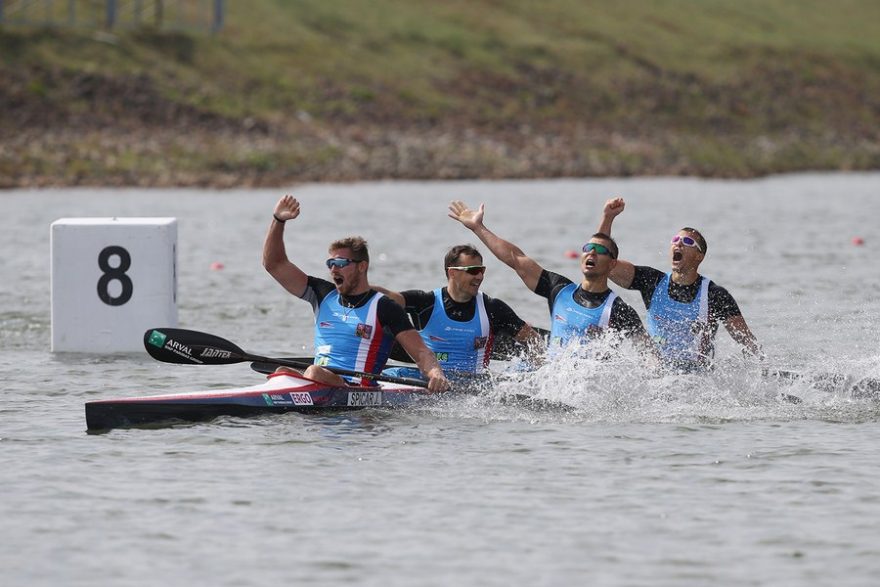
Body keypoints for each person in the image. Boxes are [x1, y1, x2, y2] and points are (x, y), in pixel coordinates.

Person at [262, 194, 449, 392]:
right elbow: (274, 264)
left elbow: (421, 353)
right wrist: (278, 220)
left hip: (357, 390)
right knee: (282, 371)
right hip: (319, 381)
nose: (334, 269)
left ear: (362, 267)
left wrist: (435, 373)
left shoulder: (385, 307)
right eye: (330, 263)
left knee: (314, 372)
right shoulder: (322, 294)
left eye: (341, 264)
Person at [448, 200, 656, 359]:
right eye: (587, 248)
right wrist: (478, 228)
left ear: (612, 265)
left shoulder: (619, 310)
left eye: (599, 250)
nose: (591, 253)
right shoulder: (559, 290)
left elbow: (649, 356)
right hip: (554, 379)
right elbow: (517, 259)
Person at [597, 197, 762, 372]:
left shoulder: (715, 296)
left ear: (700, 256)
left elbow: (747, 341)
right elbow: (604, 264)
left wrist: (763, 371)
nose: (679, 243)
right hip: (657, 375)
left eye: (688, 242)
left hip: (697, 380)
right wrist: (608, 218)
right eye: (675, 239)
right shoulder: (652, 282)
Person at [374, 244, 545, 380]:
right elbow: (389, 298)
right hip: (429, 379)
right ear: (453, 273)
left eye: (482, 270)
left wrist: (541, 374)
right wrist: (357, 290)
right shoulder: (425, 302)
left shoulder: (493, 308)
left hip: (473, 385)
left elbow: (534, 341)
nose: (479, 276)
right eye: (473, 271)